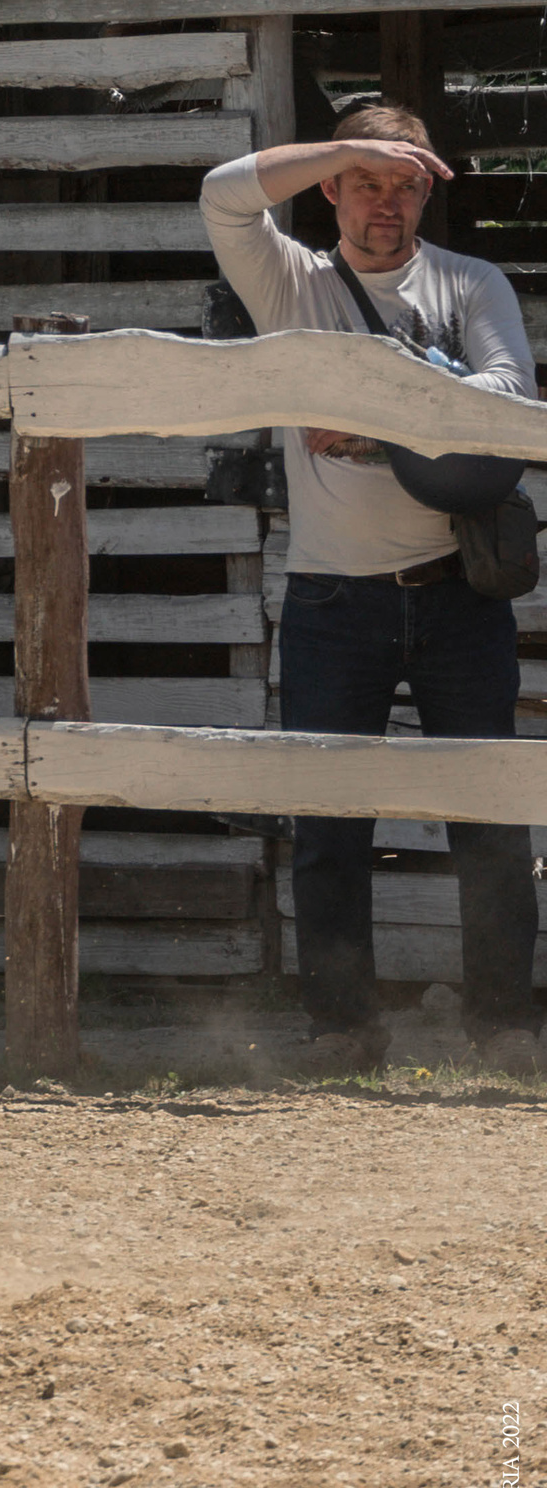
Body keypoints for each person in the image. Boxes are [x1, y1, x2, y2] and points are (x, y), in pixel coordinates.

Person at [200, 104, 542, 1077]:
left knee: (487, 818)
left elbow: (510, 398)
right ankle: (343, 1032)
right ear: (330, 187)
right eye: (364, 179)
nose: (385, 201)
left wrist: (372, 421)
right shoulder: (293, 280)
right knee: (328, 827)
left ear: (426, 190)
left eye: (403, 182)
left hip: (455, 596)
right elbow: (222, 196)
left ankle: (501, 1031)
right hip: (330, 599)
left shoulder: (467, 281)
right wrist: (347, 143)